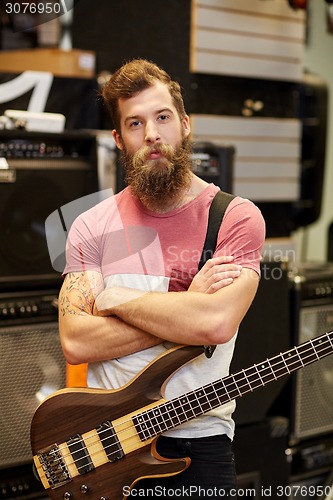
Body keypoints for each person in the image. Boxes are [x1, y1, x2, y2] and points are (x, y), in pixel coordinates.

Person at [58, 58, 266, 498]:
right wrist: (183, 306)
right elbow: (77, 341)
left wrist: (115, 298)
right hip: (108, 446)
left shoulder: (234, 218)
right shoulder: (91, 225)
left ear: (185, 125)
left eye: (163, 117)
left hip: (200, 442)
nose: (151, 133)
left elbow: (213, 325)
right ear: (119, 139)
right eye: (135, 123)